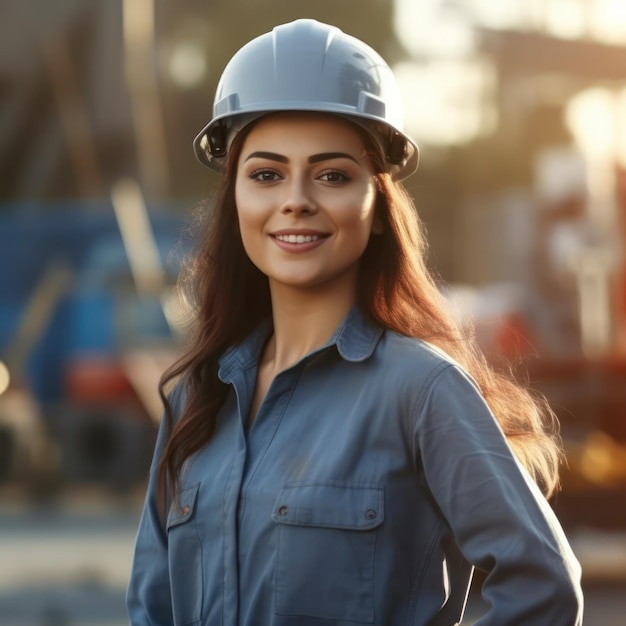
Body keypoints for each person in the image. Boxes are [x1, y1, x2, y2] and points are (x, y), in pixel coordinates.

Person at [126, 18, 583, 626]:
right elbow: (152, 608)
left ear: (375, 208)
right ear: (234, 198)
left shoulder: (421, 391)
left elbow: (543, 592)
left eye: (332, 174)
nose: (296, 199)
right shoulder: (195, 398)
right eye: (266, 174)